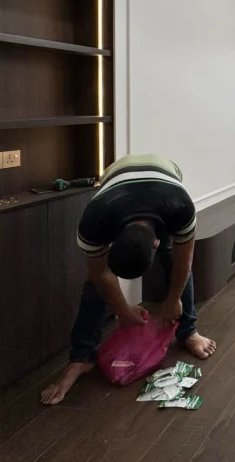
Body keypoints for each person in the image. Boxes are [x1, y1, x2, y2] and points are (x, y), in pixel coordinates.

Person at [41, 153, 216, 406]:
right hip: (115, 180)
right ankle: (81, 358)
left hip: (165, 174)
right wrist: (122, 309)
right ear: (112, 242)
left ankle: (189, 332)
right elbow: (100, 273)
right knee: (95, 286)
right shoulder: (94, 220)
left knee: (172, 259)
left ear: (155, 242)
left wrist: (173, 299)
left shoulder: (180, 207)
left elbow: (184, 262)